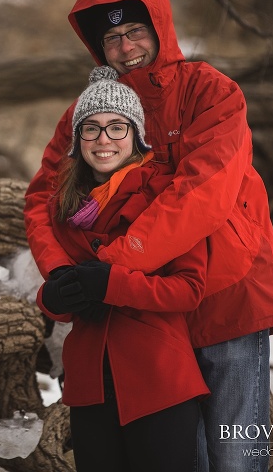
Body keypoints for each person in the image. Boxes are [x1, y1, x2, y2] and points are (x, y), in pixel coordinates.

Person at [24, 0, 273, 472]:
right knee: (177, 458)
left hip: (226, 293)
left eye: (135, 32)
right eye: (110, 37)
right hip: (145, 312)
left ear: (160, 27)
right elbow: (44, 196)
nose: (125, 47)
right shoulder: (88, 113)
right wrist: (62, 273)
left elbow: (201, 193)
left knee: (236, 456)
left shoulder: (210, 92)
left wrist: (115, 266)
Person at [37, 65, 209, 472]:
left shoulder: (167, 194)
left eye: (117, 127)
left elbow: (188, 289)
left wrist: (113, 283)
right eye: (91, 129)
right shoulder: (64, 205)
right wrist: (54, 295)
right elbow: (62, 290)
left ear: (136, 136)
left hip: (158, 380)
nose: (104, 140)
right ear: (77, 140)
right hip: (89, 385)